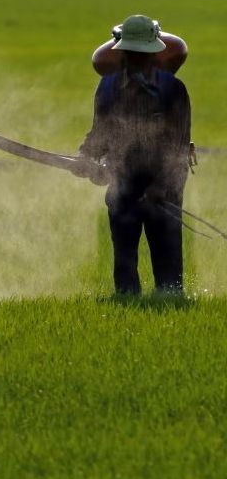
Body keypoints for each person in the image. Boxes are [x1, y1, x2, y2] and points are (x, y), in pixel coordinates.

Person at [78, 15, 192, 295]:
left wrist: (160, 187)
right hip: (122, 182)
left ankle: (171, 297)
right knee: (124, 255)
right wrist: (86, 156)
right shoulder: (106, 88)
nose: (137, 59)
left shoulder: (173, 90)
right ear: (123, 53)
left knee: (166, 252)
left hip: (164, 185)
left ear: (154, 54)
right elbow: (100, 131)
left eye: (142, 54)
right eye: (132, 53)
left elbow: (178, 145)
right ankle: (128, 299)